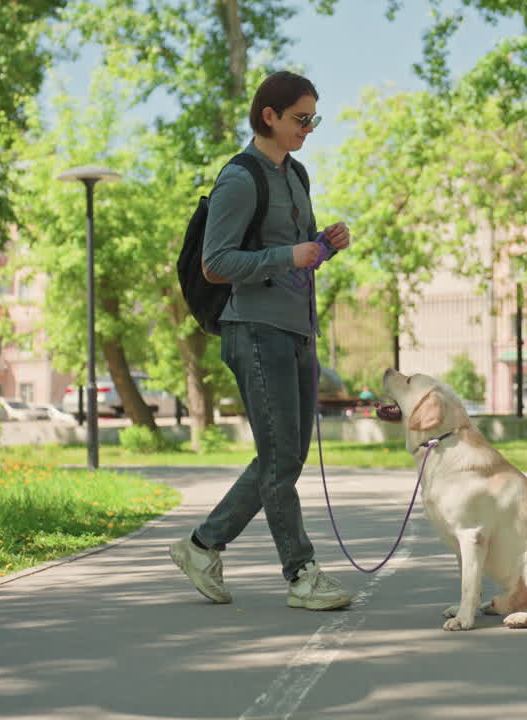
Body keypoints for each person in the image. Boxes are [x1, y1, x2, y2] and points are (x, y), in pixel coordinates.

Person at [169, 71, 353, 611]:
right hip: (252, 330)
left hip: (296, 330)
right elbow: (217, 262)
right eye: (301, 118)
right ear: (268, 116)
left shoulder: (297, 175)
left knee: (284, 459)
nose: (308, 128)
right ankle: (300, 573)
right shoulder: (240, 178)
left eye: (313, 119)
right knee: (279, 460)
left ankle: (202, 546)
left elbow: (294, 257)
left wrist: (324, 245)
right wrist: (288, 255)